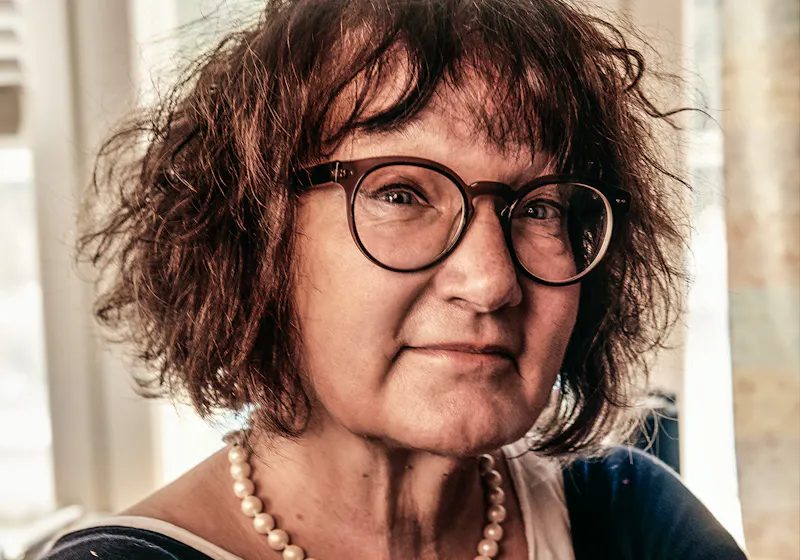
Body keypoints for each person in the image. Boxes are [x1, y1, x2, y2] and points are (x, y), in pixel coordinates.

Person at [41, 0, 746, 558]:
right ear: (253, 240)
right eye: (400, 193)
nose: (491, 282)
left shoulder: (631, 516)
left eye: (539, 208)